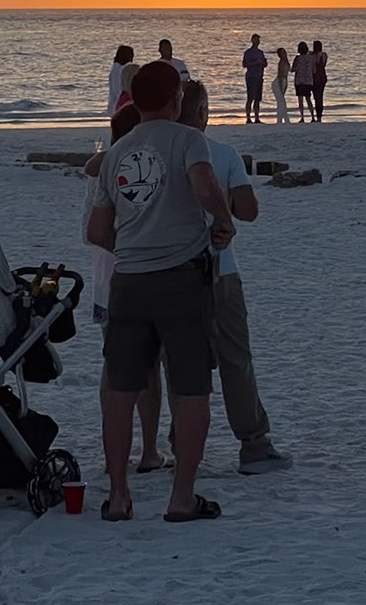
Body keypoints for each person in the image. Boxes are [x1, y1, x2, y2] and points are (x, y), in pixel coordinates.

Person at [85, 60, 235, 523]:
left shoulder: (117, 152)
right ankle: (181, 497)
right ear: (174, 99)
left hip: (128, 282)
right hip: (179, 278)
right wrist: (223, 220)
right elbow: (204, 184)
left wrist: (132, 245)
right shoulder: (187, 139)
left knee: (120, 389)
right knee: (191, 389)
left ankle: (117, 495)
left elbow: (96, 229)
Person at [178, 81, 291, 473]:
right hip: (220, 270)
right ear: (202, 113)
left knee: (184, 363)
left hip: (174, 272)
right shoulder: (223, 155)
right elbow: (249, 210)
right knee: (236, 359)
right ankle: (253, 444)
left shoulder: (164, 153)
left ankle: (182, 443)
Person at [83, 105, 169, 474]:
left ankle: (123, 452)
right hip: (136, 278)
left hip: (110, 283)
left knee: (116, 369)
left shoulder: (102, 170)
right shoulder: (142, 168)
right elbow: (97, 233)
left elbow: (92, 231)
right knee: (146, 368)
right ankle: (147, 449)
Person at [241, 35, 268, 125]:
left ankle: (257, 117)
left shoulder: (261, 52)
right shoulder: (248, 52)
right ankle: (248, 118)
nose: (258, 42)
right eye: (256, 40)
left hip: (259, 76)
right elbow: (244, 64)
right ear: (252, 40)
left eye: (258, 40)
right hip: (251, 76)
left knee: (257, 98)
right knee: (250, 98)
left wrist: (263, 63)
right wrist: (255, 63)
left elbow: (264, 64)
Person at [108, 45, 136, 113]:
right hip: (119, 104)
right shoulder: (119, 69)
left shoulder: (117, 68)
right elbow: (117, 89)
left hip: (115, 104)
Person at [291, 42, 313, 121]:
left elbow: (293, 69)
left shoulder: (297, 58)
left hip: (299, 80)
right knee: (308, 99)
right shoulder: (310, 58)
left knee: (300, 100)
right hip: (308, 80)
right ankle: (313, 116)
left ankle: (302, 117)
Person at [309, 39, 329, 121]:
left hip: (316, 78)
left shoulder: (315, 56)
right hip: (321, 78)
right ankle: (319, 116)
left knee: (317, 97)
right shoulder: (323, 55)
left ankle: (318, 115)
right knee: (319, 97)